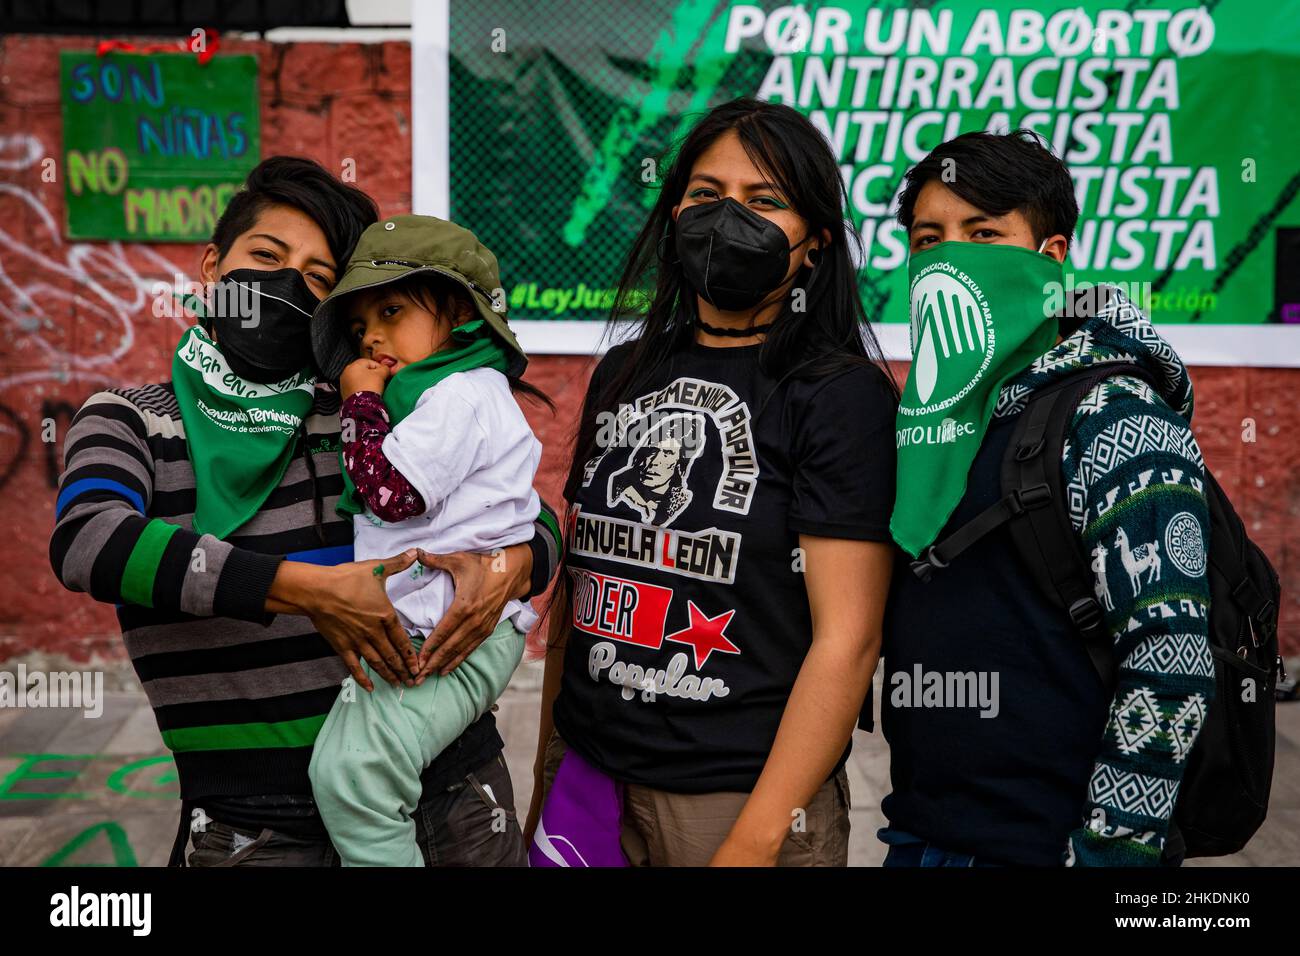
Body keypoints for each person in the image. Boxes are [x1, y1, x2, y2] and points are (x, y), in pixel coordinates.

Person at [49, 157, 563, 867]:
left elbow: (529, 514)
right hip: (252, 832)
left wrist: (508, 568)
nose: (287, 283)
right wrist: (308, 592)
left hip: (449, 799)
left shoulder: (362, 414)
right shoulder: (132, 419)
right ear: (211, 267)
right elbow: (89, 542)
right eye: (266, 256)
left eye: (318, 278)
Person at [527, 98, 898, 867]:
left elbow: (849, 639)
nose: (728, 219)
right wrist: (546, 772)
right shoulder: (622, 374)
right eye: (705, 196)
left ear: (813, 246)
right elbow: (580, 588)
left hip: (735, 799)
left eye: (764, 202)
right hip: (589, 779)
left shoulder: (837, 396)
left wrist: (755, 842)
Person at [877, 130, 1214, 867]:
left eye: (983, 234)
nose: (948, 257)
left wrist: (1108, 855)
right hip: (918, 833)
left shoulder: (1116, 415)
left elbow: (1173, 655)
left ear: (1050, 258)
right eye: (927, 239)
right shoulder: (935, 420)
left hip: (1044, 850)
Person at [305, 214, 547, 866]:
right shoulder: (444, 393)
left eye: (391, 310)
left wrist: (359, 398)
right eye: (358, 328)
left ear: (463, 315)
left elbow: (389, 493)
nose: (372, 335)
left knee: (355, 776)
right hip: (436, 625)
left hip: (458, 633)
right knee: (342, 768)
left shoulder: (458, 396)